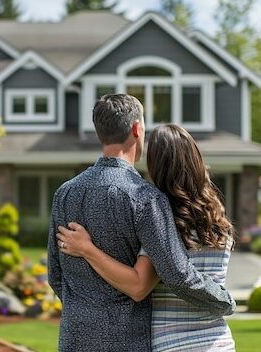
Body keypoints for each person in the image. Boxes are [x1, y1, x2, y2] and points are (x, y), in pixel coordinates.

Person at [47, 94, 235, 352]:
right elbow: (172, 275)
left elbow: (55, 276)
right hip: (127, 339)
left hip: (74, 337)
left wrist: (84, 311)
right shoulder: (145, 198)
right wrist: (224, 302)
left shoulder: (65, 193)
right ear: (137, 129)